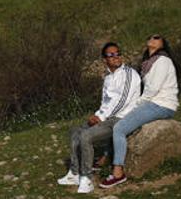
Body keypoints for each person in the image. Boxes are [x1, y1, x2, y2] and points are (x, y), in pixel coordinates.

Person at [57, 42, 140, 194]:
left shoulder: (129, 74)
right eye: (111, 55)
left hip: (120, 118)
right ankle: (75, 173)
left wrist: (101, 117)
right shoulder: (108, 78)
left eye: (117, 53)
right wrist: (97, 115)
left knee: (86, 136)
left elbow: (123, 101)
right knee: (75, 131)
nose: (116, 57)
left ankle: (86, 179)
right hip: (106, 117)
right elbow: (105, 103)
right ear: (105, 60)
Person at [100, 35, 180, 189]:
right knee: (119, 120)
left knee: (119, 128)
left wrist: (136, 105)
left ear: (162, 44)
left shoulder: (163, 61)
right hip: (153, 103)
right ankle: (105, 157)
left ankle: (118, 173)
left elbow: (153, 89)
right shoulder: (149, 63)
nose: (152, 38)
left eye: (156, 38)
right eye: (150, 37)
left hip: (160, 104)